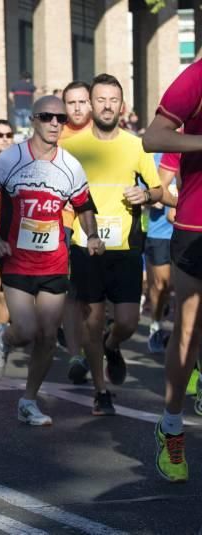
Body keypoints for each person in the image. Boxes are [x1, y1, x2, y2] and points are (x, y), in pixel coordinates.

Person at [0, 96, 103, 425]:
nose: (54, 123)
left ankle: (29, 400)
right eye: (47, 117)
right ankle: (3, 337)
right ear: (33, 119)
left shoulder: (71, 165)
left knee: (49, 336)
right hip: (17, 261)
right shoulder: (12, 158)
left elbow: (84, 205)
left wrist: (90, 235)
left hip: (55, 263)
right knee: (28, 330)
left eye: (60, 118)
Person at [61, 73, 163, 415]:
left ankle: (112, 344)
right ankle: (101, 392)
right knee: (92, 318)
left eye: (113, 100)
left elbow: (159, 190)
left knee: (128, 321)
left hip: (126, 246)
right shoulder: (71, 147)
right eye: (100, 99)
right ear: (91, 104)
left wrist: (146, 194)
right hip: (85, 244)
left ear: (122, 105)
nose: (107, 106)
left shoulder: (136, 145)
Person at [142, 57, 202, 483]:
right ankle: (172, 425)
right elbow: (153, 137)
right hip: (197, 224)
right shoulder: (198, 75)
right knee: (188, 332)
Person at [58, 80, 92, 382]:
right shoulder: (56, 136)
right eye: (72, 103)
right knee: (72, 292)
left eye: (83, 102)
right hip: (67, 222)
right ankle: (75, 355)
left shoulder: (107, 133)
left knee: (95, 297)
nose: (78, 108)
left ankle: (99, 344)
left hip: (106, 225)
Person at [144, 152, 179, 354]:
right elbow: (144, 195)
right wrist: (152, 199)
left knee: (183, 288)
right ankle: (156, 325)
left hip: (188, 232)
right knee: (161, 285)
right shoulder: (154, 158)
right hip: (160, 232)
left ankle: (181, 333)